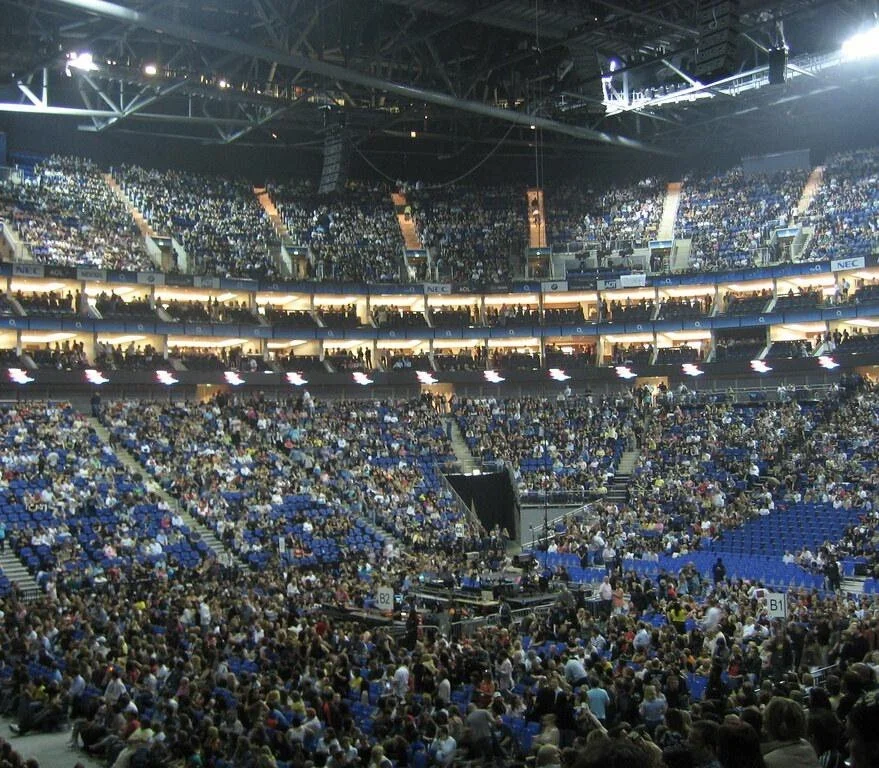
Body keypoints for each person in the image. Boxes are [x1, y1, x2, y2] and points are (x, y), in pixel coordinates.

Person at [762, 697, 820, 768]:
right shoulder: (806, 745)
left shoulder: (769, 761)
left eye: (765, 724)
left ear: (771, 726)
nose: (763, 730)